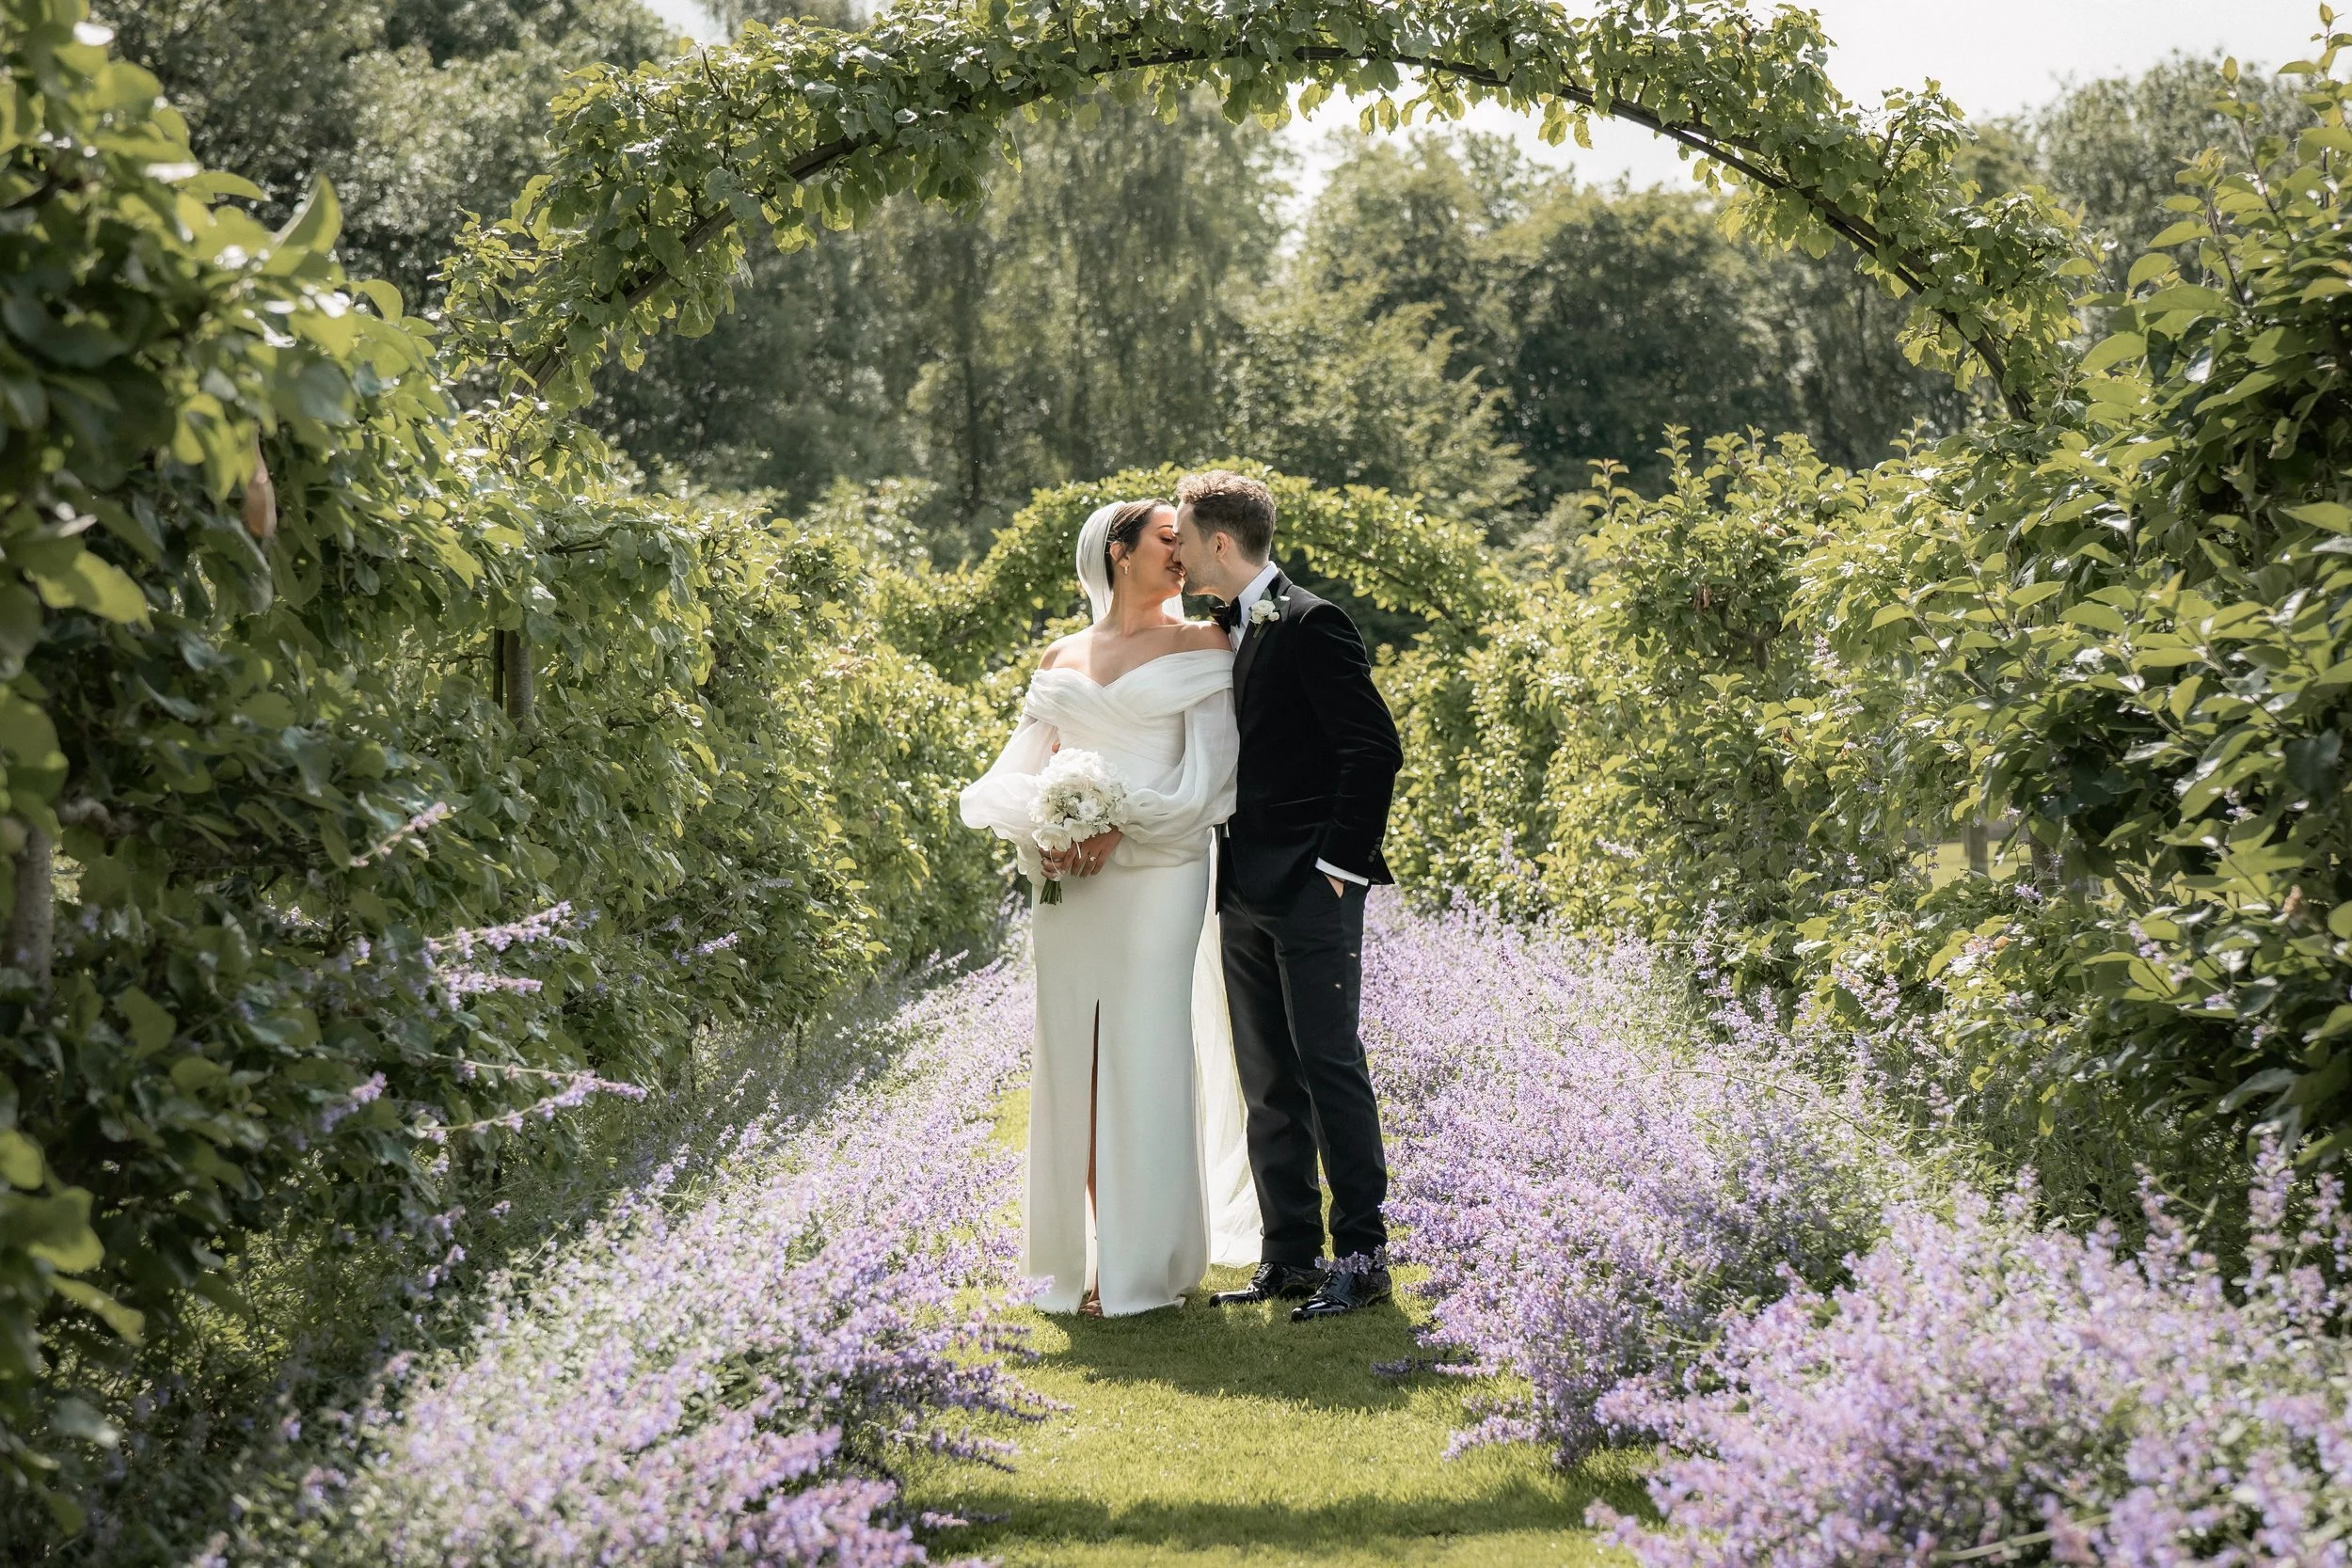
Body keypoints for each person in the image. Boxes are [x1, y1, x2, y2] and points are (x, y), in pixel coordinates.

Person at [958, 499, 1263, 1316]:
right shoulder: (1062, 653)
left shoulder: (1205, 644)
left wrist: (1118, 824)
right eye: (1169, 539)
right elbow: (1017, 770)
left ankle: (1143, 1266)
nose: (1184, 553)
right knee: (1074, 1063)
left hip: (1161, 872)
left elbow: (1208, 781)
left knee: (1144, 1051)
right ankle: (1082, 1259)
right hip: (1071, 886)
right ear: (1120, 553)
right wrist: (1047, 831)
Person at [1172, 470, 1405, 1322]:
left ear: (1220, 543)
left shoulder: (1312, 622)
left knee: (1329, 1066)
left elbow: (1374, 749)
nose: (1180, 554)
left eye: (1186, 539)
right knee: (1267, 1075)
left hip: (1311, 886)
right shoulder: (1217, 632)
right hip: (1241, 886)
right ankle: (1292, 1255)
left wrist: (1337, 869)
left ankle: (1365, 1257)